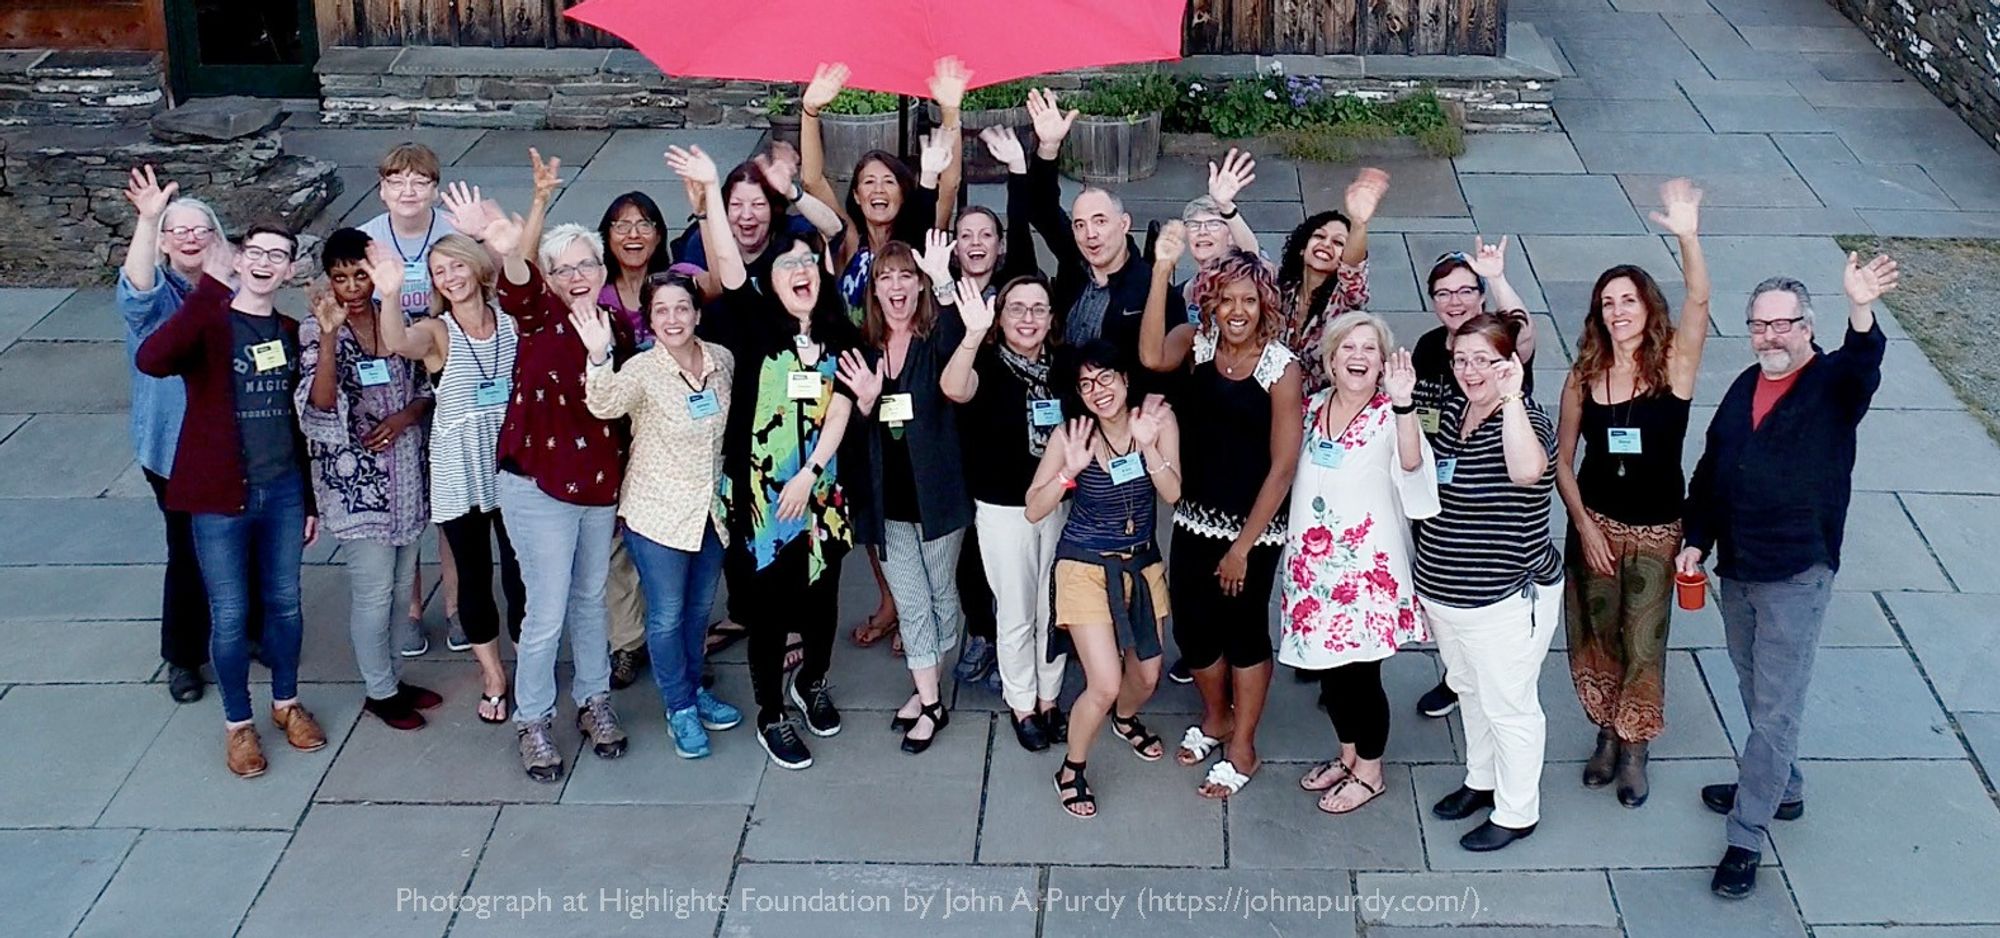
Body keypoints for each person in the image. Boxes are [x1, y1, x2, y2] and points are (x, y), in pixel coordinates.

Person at [1680, 253, 1896, 900]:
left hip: (1796, 574)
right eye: (1759, 324)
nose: (1771, 335)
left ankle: (1748, 833)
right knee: (1752, 685)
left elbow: (1865, 367)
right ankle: (1782, 785)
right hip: (1738, 567)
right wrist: (1695, 538)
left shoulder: (1833, 383)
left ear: (1808, 325)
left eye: (1784, 323)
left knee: (1775, 711)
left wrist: (1862, 308)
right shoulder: (1747, 384)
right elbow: (1714, 467)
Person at [441, 185, 639, 783]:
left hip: (598, 486)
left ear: (601, 271)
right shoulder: (536, 314)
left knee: (590, 602)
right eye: (564, 267)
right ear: (550, 278)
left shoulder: (616, 327)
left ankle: (594, 700)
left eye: (586, 263)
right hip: (538, 485)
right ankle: (532, 718)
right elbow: (518, 272)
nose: (576, 274)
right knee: (545, 612)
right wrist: (527, 211)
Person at [691, 144, 865, 771]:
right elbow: (728, 264)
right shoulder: (756, 321)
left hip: (818, 492)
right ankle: (771, 713)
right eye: (787, 265)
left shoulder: (836, 327)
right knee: (767, 611)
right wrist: (713, 189)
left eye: (808, 266)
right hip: (759, 497)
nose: (800, 271)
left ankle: (812, 680)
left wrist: (814, 472)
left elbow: (844, 401)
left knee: (821, 601)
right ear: (771, 281)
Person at [136, 222, 324, 779]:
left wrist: (309, 497)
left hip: (283, 488)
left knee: (285, 605)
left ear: (290, 269)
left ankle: (286, 703)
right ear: (239, 260)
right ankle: (238, 724)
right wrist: (210, 289)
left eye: (279, 255)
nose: (266, 262)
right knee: (231, 613)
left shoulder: (290, 330)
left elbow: (300, 422)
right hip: (218, 496)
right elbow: (153, 358)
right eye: (256, 252)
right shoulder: (209, 320)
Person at [1554, 179, 1710, 807]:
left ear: (1648, 307)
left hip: (1654, 530)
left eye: (1628, 299)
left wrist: (1687, 235)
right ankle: (1604, 733)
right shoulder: (1583, 374)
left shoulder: (1673, 366)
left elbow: (1700, 299)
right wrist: (1585, 526)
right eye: (1607, 302)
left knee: (1643, 639)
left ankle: (1636, 743)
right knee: (1595, 632)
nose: (1618, 311)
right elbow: (1563, 462)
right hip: (1594, 522)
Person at [801, 60, 965, 652]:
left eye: (888, 182)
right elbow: (813, 179)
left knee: (906, 493)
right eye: (867, 182)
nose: (876, 191)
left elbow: (945, 185)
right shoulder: (844, 240)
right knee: (867, 499)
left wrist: (950, 110)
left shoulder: (921, 238)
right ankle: (894, 597)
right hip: (853, 384)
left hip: (910, 379)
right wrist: (811, 110)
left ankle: (916, 605)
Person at [1136, 232, 1301, 799]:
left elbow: (1283, 467)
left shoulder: (1281, 368)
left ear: (1265, 307)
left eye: (1249, 300)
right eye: (1227, 298)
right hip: (1195, 518)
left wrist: (1241, 548)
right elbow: (1152, 356)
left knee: (1246, 634)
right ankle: (1216, 717)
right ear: (1210, 300)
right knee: (1194, 630)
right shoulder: (1196, 343)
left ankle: (1244, 745)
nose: (1237, 310)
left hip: (1254, 528)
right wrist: (1161, 270)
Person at [577, 265, 744, 759]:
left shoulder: (721, 359)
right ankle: (679, 708)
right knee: (667, 617)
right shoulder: (643, 371)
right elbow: (604, 405)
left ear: (696, 313)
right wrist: (597, 355)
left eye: (681, 308)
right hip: (658, 513)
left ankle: (694, 690)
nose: (673, 319)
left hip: (709, 512)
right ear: (650, 320)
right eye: (661, 311)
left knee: (698, 613)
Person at [1281, 313, 1439, 815]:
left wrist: (1404, 403)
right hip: (1312, 570)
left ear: (1383, 363)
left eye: (1369, 349)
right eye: (1347, 347)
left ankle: (1370, 771)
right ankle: (1348, 755)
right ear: (1330, 358)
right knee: (1329, 674)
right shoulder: (1310, 409)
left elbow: (1413, 465)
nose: (1357, 356)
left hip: (1365, 571)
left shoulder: (1391, 416)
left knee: (1360, 677)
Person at [1415, 312, 1562, 853]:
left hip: (1502, 598)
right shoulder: (1453, 410)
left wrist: (1513, 399)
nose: (1471, 371)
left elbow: (1527, 473)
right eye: (1462, 359)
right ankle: (1482, 780)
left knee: (1510, 706)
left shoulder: (1526, 419)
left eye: (1485, 360)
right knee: (1472, 692)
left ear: (1511, 363)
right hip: (1446, 592)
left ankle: (1518, 810)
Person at [372, 233, 524, 727]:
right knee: (475, 575)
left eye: (456, 266)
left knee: (522, 572)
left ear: (477, 268)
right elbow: (397, 342)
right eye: (439, 271)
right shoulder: (437, 330)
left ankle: (531, 664)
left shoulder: (511, 322)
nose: (450, 278)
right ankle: (493, 675)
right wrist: (391, 293)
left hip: (511, 459)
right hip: (460, 466)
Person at [1025, 341, 1182, 819]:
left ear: (1126, 378)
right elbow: (1034, 507)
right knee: (1105, 682)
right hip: (1086, 565)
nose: (1099, 391)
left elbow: (1173, 493)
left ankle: (1126, 720)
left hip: (1142, 562)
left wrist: (1150, 444)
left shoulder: (1158, 419)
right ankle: (1071, 769)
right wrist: (1068, 474)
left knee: (1147, 676)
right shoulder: (1073, 436)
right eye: (1087, 384)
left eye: (1106, 377)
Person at [295, 229, 444, 730]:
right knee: (374, 592)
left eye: (361, 275)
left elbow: (427, 387)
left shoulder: (397, 317)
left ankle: (393, 678)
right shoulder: (316, 330)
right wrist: (332, 333)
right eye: (341, 277)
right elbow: (319, 403)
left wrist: (405, 417)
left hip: (405, 475)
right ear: (328, 281)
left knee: (404, 588)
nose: (353, 287)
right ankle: (379, 691)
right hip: (355, 485)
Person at [844, 238, 976, 754]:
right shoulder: (864, 345)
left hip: (939, 498)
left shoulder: (937, 334)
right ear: (874, 291)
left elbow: (968, 344)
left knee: (942, 595)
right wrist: (867, 403)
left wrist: (944, 279)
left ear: (918, 284)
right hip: (888, 501)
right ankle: (934, 706)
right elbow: (850, 430)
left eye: (905, 276)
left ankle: (925, 688)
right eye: (885, 278)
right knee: (913, 602)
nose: (895, 287)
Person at [116, 165, 242, 703]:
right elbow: (136, 286)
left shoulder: (237, 290)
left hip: (237, 442)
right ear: (164, 244)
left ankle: (245, 630)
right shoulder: (157, 295)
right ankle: (184, 655)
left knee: (246, 541)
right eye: (178, 231)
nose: (191, 239)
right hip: (175, 450)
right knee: (188, 552)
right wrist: (148, 219)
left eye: (202, 230)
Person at [1408, 238, 1537, 720]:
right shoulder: (1426, 346)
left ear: (1481, 296)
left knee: (1480, 587)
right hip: (1437, 475)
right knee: (1439, 582)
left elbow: (1525, 335)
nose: (1455, 301)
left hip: (1489, 484)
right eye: (1443, 293)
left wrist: (1499, 275)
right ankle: (1456, 674)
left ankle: (1481, 678)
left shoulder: (1500, 337)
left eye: (1465, 290)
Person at [941, 272, 1070, 751]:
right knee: (1015, 610)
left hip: (1058, 502)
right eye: (1017, 308)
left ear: (1051, 317)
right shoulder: (987, 363)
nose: (1028, 319)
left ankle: (1050, 696)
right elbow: (954, 388)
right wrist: (973, 334)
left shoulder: (1062, 365)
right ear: (1000, 316)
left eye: (1038, 309)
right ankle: (1022, 702)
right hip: (1002, 509)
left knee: (1052, 608)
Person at [360, 142, 469, 654]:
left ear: (434, 188)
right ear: (382, 189)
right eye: (397, 180)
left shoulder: (452, 230)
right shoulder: (366, 239)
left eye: (419, 181)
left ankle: (455, 607)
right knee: (404, 498)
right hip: (387, 375)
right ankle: (409, 608)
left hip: (444, 368)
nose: (408, 190)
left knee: (448, 498)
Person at [1018, 89, 1178, 363]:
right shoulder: (1074, 260)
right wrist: (1048, 148)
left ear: (1124, 223)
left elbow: (1163, 364)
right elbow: (1040, 208)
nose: (1089, 234)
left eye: (1100, 221)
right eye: (1079, 224)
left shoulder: (1151, 287)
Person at [678, 143, 845, 302]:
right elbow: (700, 294)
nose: (747, 215)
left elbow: (834, 228)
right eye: (736, 205)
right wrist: (704, 214)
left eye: (758, 204)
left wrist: (790, 191)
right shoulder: (703, 238)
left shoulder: (791, 232)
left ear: (773, 209)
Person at [1273, 169, 1386, 396]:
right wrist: (1227, 210)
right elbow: (1251, 256)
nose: (1326, 244)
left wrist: (1359, 223)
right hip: (1279, 403)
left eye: (1338, 242)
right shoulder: (1283, 291)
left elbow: (1353, 270)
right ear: (1303, 246)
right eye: (1319, 236)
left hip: (1329, 409)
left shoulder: (1345, 299)